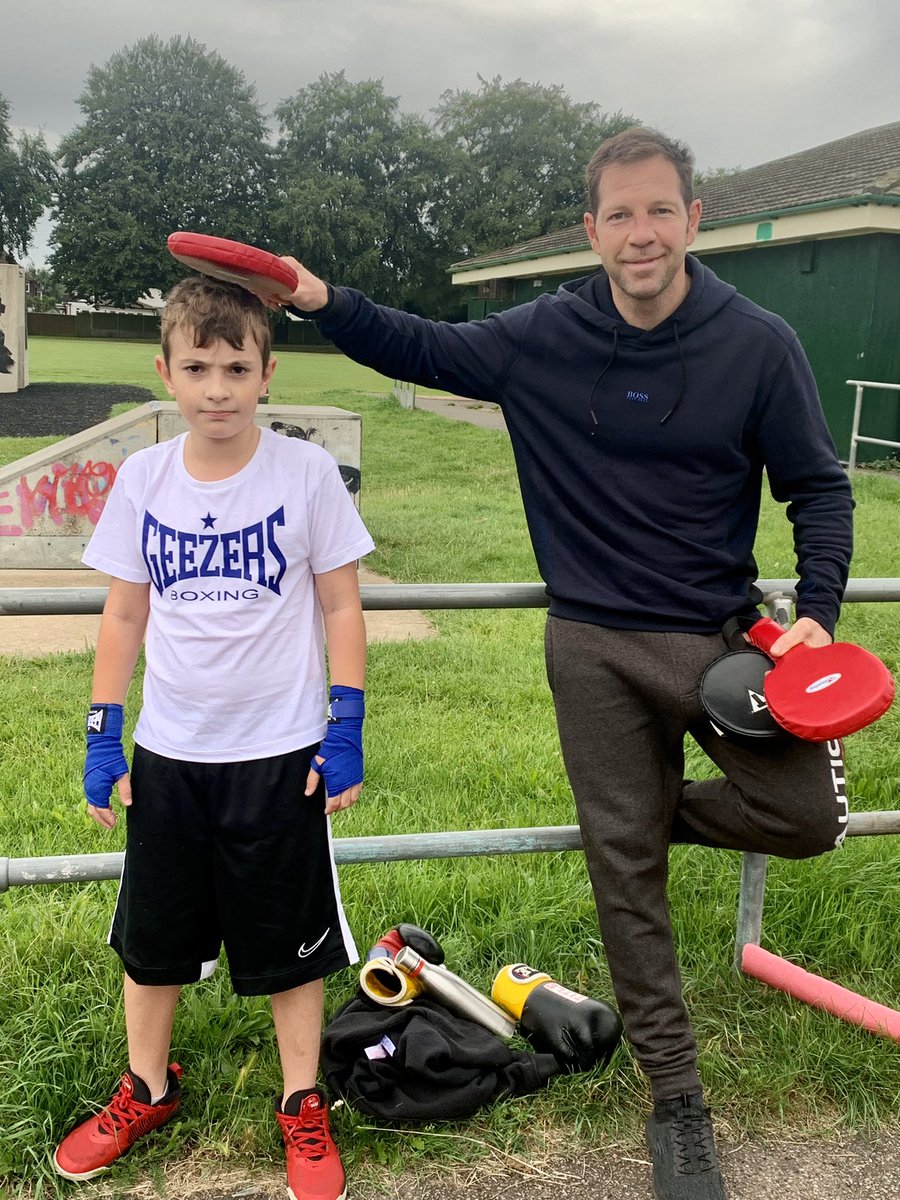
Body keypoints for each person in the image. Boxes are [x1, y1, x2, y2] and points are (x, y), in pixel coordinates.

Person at [271, 127, 854, 1200]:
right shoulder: (543, 335)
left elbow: (820, 488)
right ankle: (676, 1102)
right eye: (619, 215)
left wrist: (816, 611)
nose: (641, 234)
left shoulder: (759, 344)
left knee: (809, 817)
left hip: (722, 641)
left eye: (660, 210)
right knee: (626, 882)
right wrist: (317, 295)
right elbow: (425, 347)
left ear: (694, 218)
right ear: (592, 231)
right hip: (590, 640)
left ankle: (625, 820)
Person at [53, 275, 374, 1200]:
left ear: (268, 374)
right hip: (171, 754)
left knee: (289, 944)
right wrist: (102, 734)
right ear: (166, 372)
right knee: (151, 941)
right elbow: (123, 614)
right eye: (197, 367)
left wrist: (344, 724)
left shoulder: (304, 472)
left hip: (278, 755)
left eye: (238, 366)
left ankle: (303, 1102)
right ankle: (146, 1089)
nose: (218, 387)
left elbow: (341, 603)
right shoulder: (143, 477)